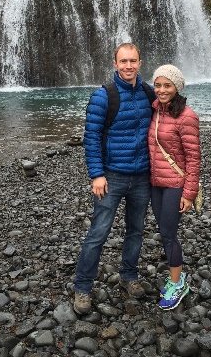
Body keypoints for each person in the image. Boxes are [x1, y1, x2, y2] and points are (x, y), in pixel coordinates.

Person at [73, 42, 153, 315]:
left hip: (142, 176)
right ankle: (82, 287)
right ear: (115, 63)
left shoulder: (148, 93)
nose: (128, 66)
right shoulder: (103, 96)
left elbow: (167, 120)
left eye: (133, 61)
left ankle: (129, 276)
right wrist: (96, 174)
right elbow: (91, 137)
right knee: (98, 233)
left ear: (140, 62)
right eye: (123, 61)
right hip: (113, 176)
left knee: (135, 231)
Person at [148, 64, 200, 310]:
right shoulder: (155, 110)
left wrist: (189, 194)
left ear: (177, 87)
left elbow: (194, 158)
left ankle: (178, 283)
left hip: (175, 185)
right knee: (163, 230)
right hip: (155, 182)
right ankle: (176, 276)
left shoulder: (187, 116)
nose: (161, 90)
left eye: (166, 85)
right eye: (157, 85)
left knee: (169, 234)